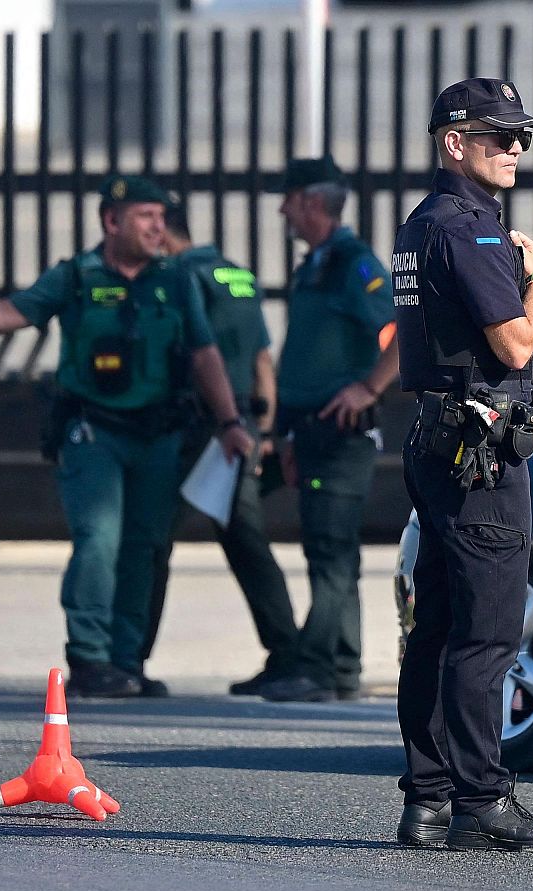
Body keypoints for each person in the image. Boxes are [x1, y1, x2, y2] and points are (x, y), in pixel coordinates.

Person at [0, 173, 255, 699]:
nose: (159, 227)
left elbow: (204, 354)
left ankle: (127, 661)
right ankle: (89, 657)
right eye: (146, 217)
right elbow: (6, 313)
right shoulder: (76, 277)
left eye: (160, 217)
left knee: (145, 546)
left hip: (159, 434)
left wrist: (230, 424)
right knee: (98, 540)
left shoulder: (175, 280)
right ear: (111, 221)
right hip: (95, 432)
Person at [390, 78, 533, 851]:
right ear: (453, 142)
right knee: (486, 634)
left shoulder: (419, 223)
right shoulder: (472, 231)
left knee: (435, 626)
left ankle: (428, 801)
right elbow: (517, 346)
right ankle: (482, 799)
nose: (516, 150)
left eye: (521, 136)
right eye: (500, 137)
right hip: (480, 456)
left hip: (436, 444)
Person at [145, 197, 303, 697]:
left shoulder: (176, 276)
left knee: (151, 537)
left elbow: (192, 353)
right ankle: (287, 651)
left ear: (166, 234)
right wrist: (265, 429)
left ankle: (127, 655)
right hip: (244, 425)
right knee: (246, 541)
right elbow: (262, 358)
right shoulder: (237, 275)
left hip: (200, 424)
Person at [256, 155, 399, 704]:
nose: (282, 210)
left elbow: (397, 329)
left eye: (288, 199)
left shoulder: (352, 264)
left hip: (341, 433)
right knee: (327, 547)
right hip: (310, 430)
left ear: (311, 202)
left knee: (332, 549)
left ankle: (318, 666)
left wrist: (369, 387)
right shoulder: (316, 263)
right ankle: (339, 665)